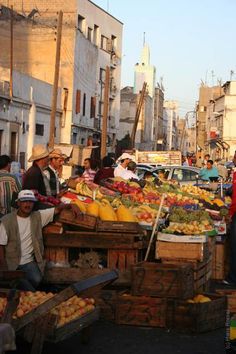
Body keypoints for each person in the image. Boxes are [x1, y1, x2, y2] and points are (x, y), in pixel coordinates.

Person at [0, 190, 81, 291]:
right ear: (18, 203)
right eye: (24, 201)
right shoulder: (7, 221)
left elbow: (57, 209)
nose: (27, 204)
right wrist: (4, 266)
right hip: (11, 261)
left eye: (30, 201)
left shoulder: (38, 216)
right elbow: (1, 245)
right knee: (27, 288)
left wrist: (71, 205)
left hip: (27, 262)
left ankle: (20, 284)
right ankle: (21, 286)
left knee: (37, 279)